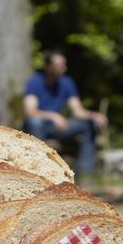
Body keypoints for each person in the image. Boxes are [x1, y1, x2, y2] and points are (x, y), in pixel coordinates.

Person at [22, 50, 108, 180]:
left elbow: (78, 111)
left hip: (59, 127)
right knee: (35, 122)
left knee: (89, 125)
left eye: (63, 65)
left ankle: (85, 173)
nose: (63, 68)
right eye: (58, 65)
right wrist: (53, 116)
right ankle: (38, 169)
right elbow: (30, 111)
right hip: (40, 126)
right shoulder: (34, 82)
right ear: (47, 66)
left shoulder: (67, 82)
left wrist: (94, 116)